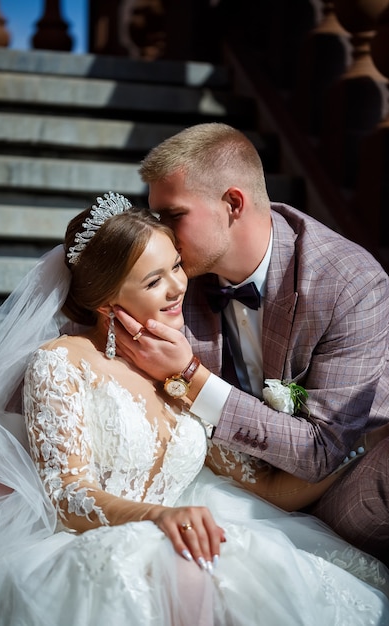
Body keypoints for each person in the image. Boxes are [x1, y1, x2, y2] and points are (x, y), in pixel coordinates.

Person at [0, 192, 388, 626]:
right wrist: (161, 517)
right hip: (96, 541)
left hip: (183, 533)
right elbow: (67, 494)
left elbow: (265, 489)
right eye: (153, 282)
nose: (177, 287)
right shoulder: (62, 362)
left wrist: (350, 446)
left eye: (175, 265)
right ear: (105, 303)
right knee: (183, 569)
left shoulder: (177, 375)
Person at [113, 122, 389, 566]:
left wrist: (192, 378)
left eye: (173, 215)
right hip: (229, 487)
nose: (158, 232)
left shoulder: (348, 283)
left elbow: (323, 451)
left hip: (341, 484)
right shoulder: (174, 279)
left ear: (233, 203)